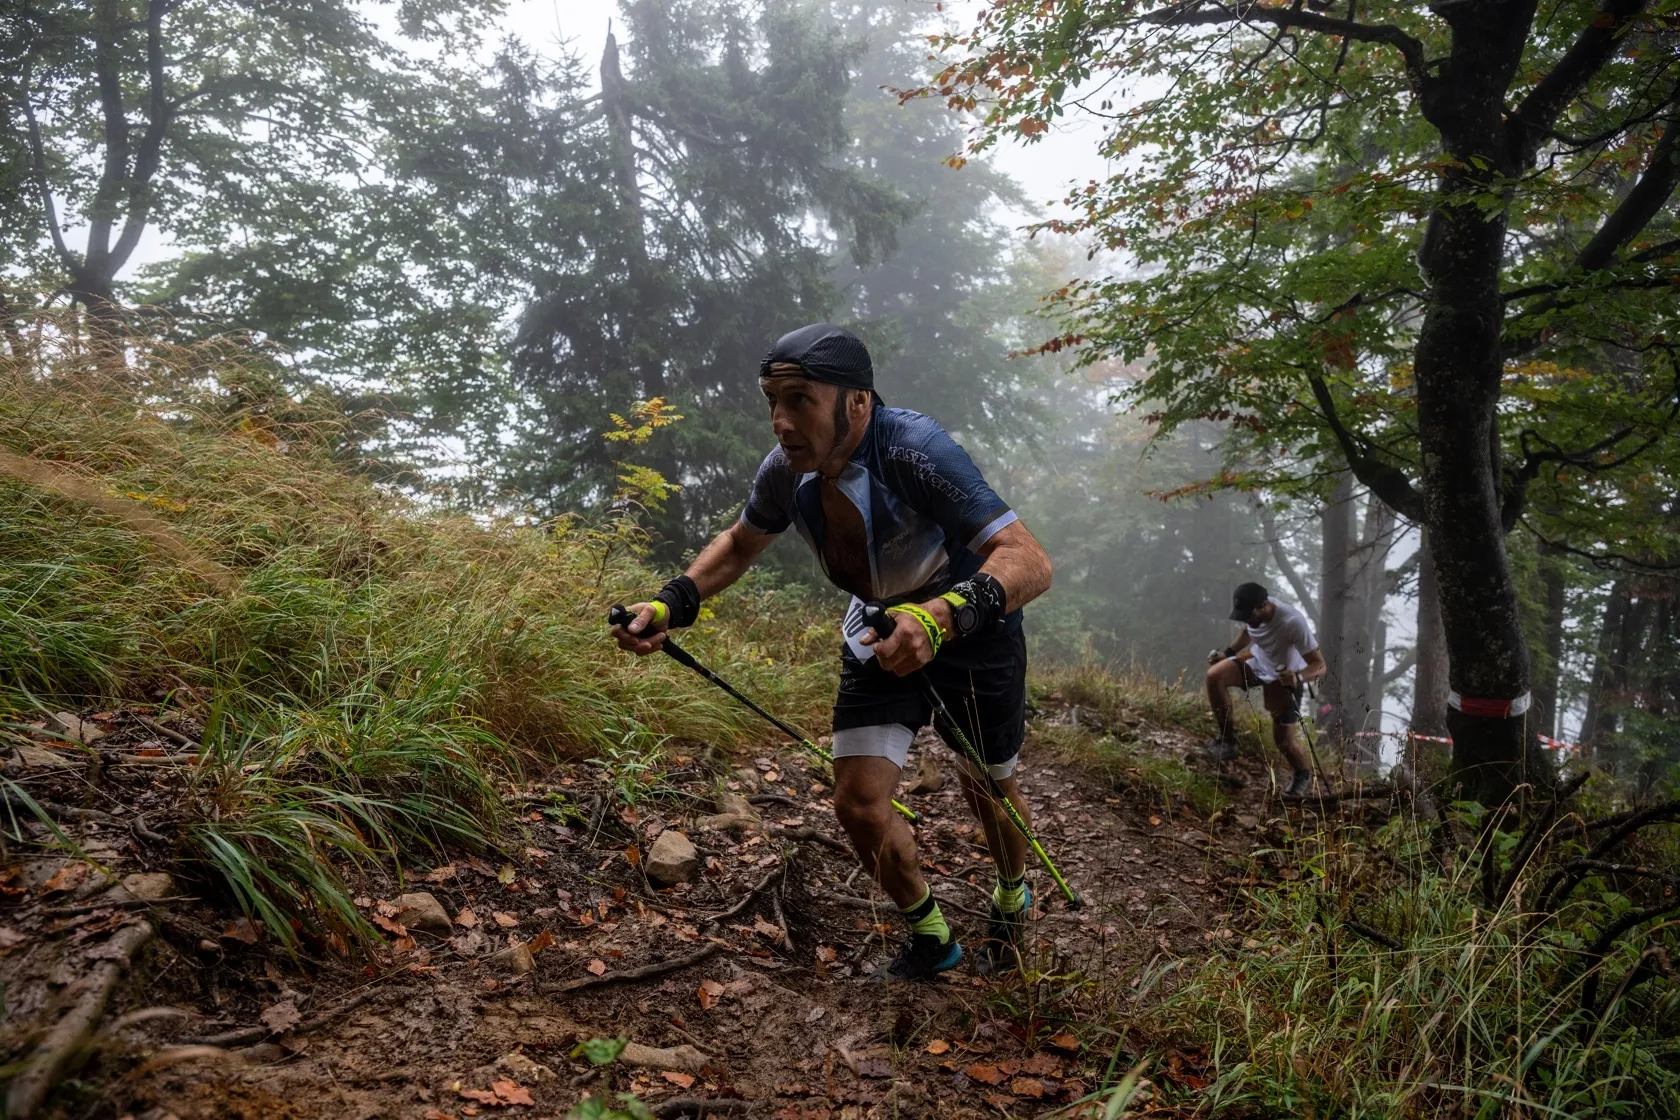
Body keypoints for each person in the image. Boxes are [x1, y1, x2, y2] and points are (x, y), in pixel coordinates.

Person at [611, 323, 1052, 980]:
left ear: (857, 402)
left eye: (799, 399)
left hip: (968, 629)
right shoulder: (785, 474)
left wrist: (939, 621)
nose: (780, 421)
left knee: (986, 783)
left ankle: (1012, 894)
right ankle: (933, 939)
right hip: (875, 630)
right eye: (771, 400)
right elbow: (739, 544)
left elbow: (1030, 561)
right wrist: (672, 602)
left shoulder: (915, 451)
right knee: (858, 805)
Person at [1204, 581, 1326, 799]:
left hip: (1285, 677)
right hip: (1257, 661)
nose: (1246, 619)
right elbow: (1247, 631)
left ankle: (1303, 775)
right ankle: (1227, 741)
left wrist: (1297, 677)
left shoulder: (1292, 622)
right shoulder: (1254, 615)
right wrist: (1228, 652)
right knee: (1214, 676)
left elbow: (1320, 666)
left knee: (1283, 741)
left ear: (1264, 606)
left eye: (1248, 614)